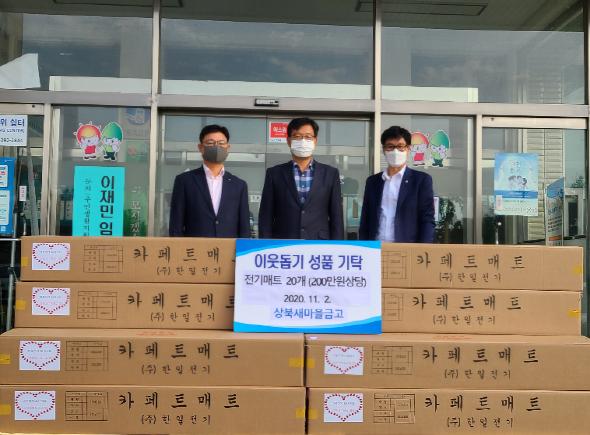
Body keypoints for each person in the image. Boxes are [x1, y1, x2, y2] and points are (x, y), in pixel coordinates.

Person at [259, 117, 344, 239]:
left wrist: (337, 246)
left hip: (319, 244)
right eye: (297, 136)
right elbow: (265, 216)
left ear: (315, 141)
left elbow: (336, 217)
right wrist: (265, 245)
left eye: (308, 137)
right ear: (289, 141)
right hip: (283, 244)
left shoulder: (330, 174)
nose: (303, 141)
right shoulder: (274, 174)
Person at [169, 124, 250, 238]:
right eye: (210, 143)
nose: (216, 146)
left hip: (228, 248)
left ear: (228, 148)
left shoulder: (239, 185)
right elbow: (176, 225)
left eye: (221, 143)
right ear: (201, 147)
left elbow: (244, 228)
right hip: (195, 248)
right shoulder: (184, 181)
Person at [359, 125, 435, 243]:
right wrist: (364, 247)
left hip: (406, 248)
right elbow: (365, 219)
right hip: (375, 248)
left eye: (400, 146)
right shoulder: (373, 182)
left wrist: (423, 250)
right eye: (390, 146)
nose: (395, 151)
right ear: (384, 150)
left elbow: (427, 220)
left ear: (408, 149)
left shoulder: (421, 181)